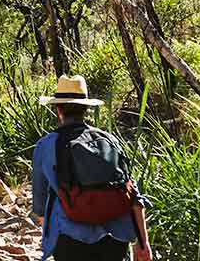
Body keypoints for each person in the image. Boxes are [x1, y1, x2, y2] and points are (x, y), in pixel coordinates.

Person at [29, 75, 153, 261]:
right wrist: (142, 244)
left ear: (58, 110)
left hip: (69, 237)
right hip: (115, 236)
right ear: (86, 109)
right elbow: (133, 194)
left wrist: (49, 231)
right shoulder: (109, 141)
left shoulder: (46, 145)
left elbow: (40, 204)